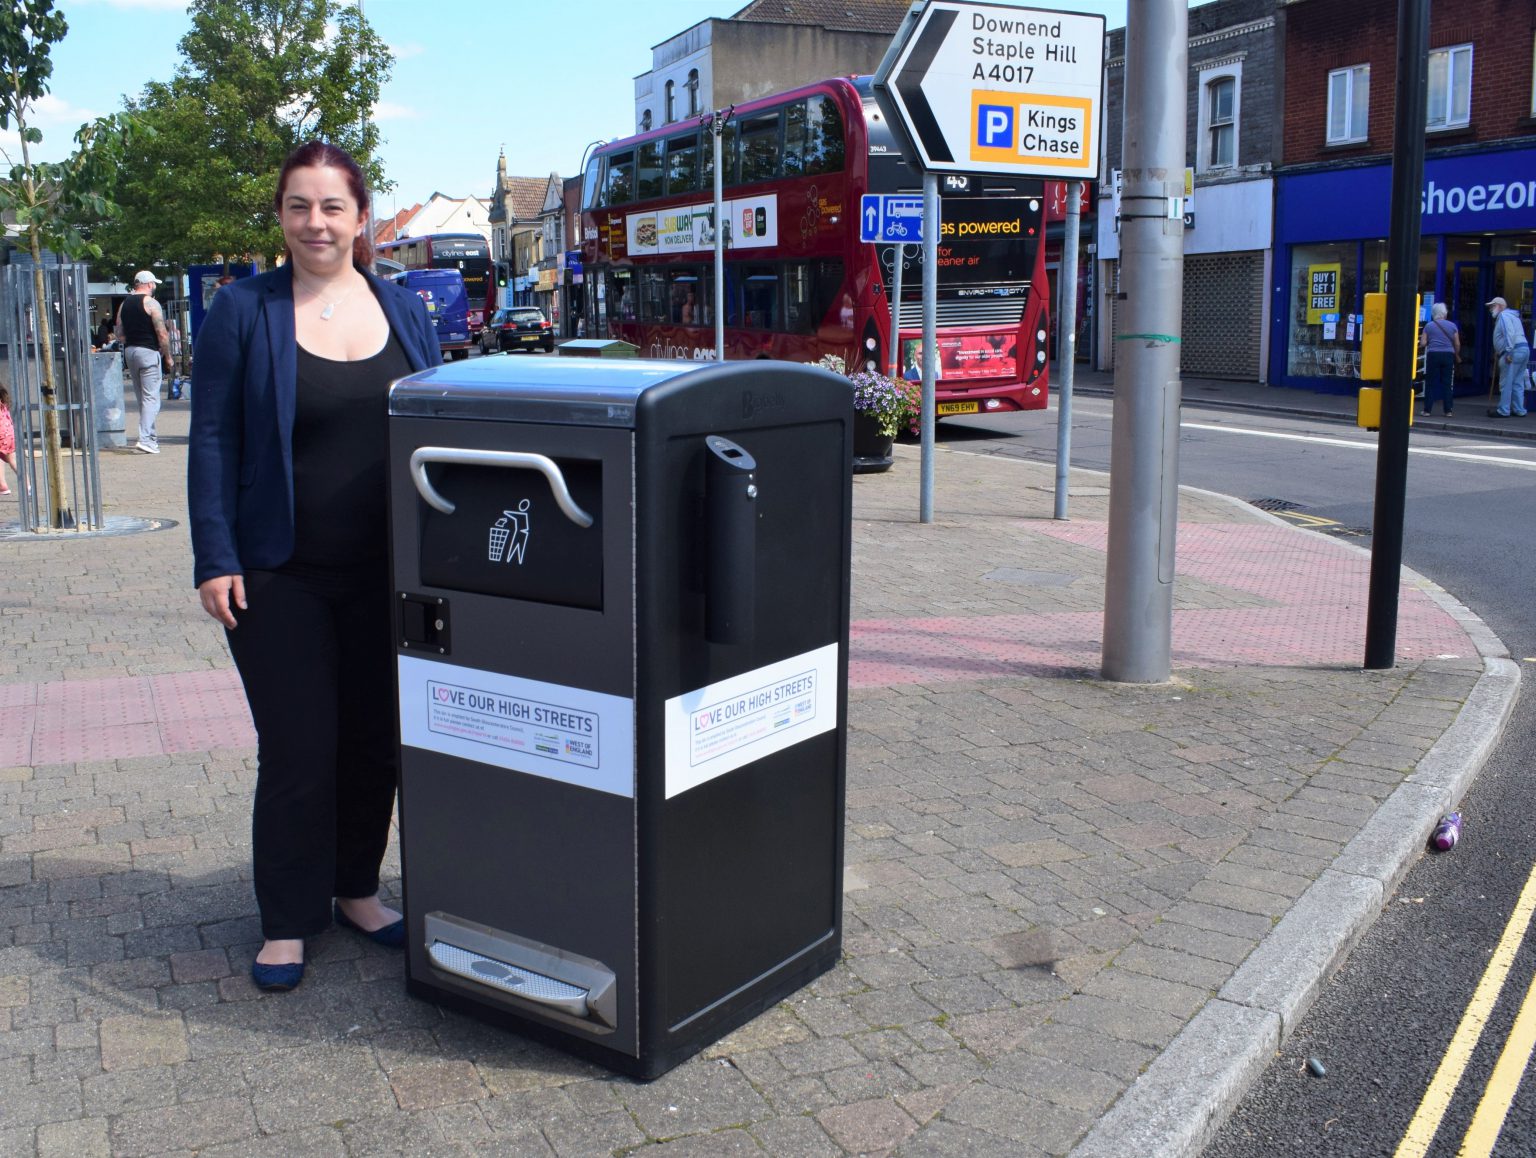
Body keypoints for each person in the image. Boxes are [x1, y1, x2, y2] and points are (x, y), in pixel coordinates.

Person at [188, 141, 441, 993]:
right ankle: (288, 920)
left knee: (377, 744)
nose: (316, 222)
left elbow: (439, 420)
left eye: (332, 206)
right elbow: (214, 437)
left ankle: (356, 891)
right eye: (299, 206)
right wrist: (215, 555)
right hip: (278, 572)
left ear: (362, 216)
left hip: (390, 571)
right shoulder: (243, 309)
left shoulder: (403, 307)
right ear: (282, 217)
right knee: (299, 748)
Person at [116, 270, 172, 453]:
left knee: (142, 398)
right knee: (151, 398)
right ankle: (146, 439)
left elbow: (119, 332)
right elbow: (162, 333)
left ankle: (150, 438)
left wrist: (131, 341)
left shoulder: (124, 305)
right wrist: (168, 356)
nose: (155, 286)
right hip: (148, 352)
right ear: (149, 284)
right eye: (154, 283)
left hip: (130, 352)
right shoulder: (151, 303)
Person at [1486, 296, 1530, 418]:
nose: (1490, 309)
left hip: (1513, 351)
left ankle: (1503, 410)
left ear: (1500, 306)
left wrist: (1508, 352)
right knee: (1518, 382)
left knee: (1506, 382)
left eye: (1492, 306)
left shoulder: (1504, 316)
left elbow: (1509, 333)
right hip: (1523, 349)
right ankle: (1519, 409)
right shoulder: (1513, 317)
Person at [1418, 302, 1459, 417]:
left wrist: (1430, 342)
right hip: (1448, 355)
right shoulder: (1452, 326)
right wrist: (1456, 353)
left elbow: (1423, 343)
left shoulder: (1429, 326)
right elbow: (1457, 343)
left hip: (1433, 355)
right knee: (1447, 383)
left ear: (1433, 313)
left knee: (1430, 383)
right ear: (1445, 313)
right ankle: (1448, 410)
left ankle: (1427, 410)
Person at [0, 383, 15, 496]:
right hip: (8, 435)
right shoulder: (3, 403)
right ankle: (28, 484)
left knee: (8, 460)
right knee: (10, 460)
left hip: (1, 435)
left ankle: (3, 486)